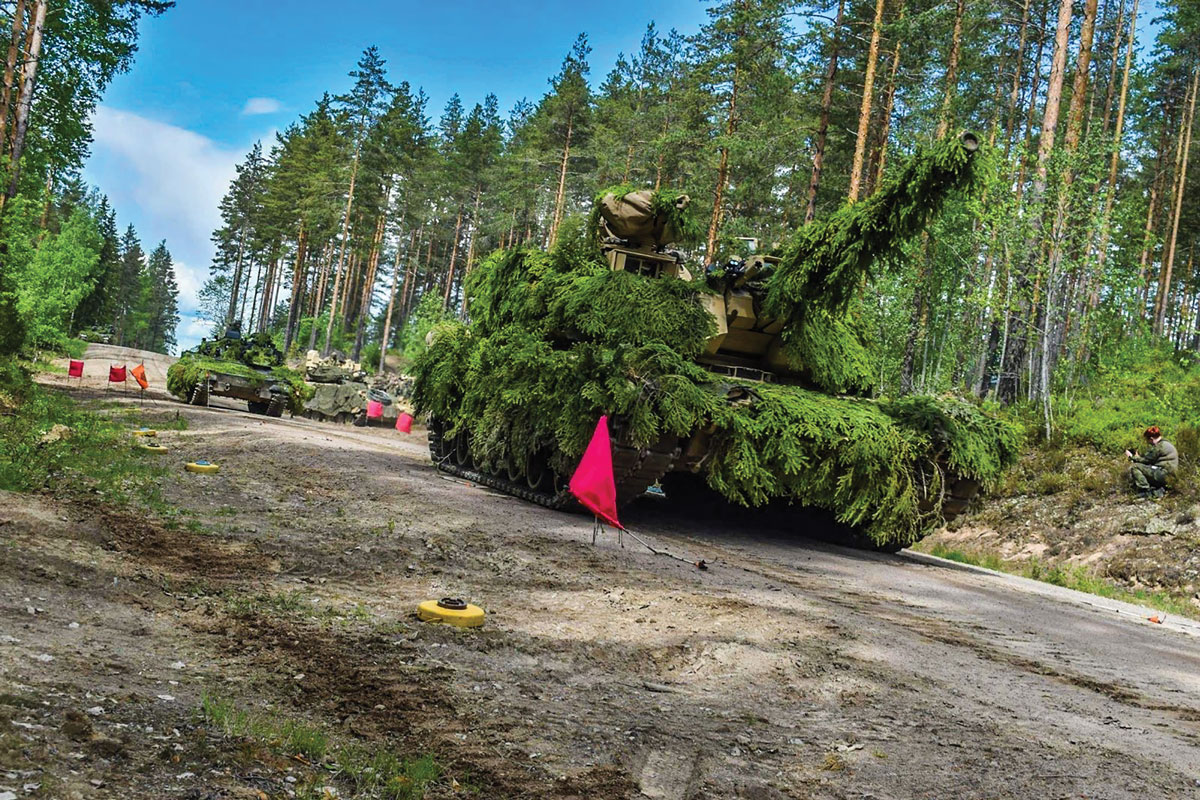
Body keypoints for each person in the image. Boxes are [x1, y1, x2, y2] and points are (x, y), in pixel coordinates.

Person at [1126, 426, 1178, 498]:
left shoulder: (1159, 446)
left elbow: (1147, 460)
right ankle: (1159, 490)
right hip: (1171, 475)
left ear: (1151, 439)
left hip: (1163, 474)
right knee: (1148, 469)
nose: (1148, 443)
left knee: (1135, 467)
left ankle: (1144, 490)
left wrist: (1132, 457)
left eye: (1148, 440)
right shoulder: (1167, 444)